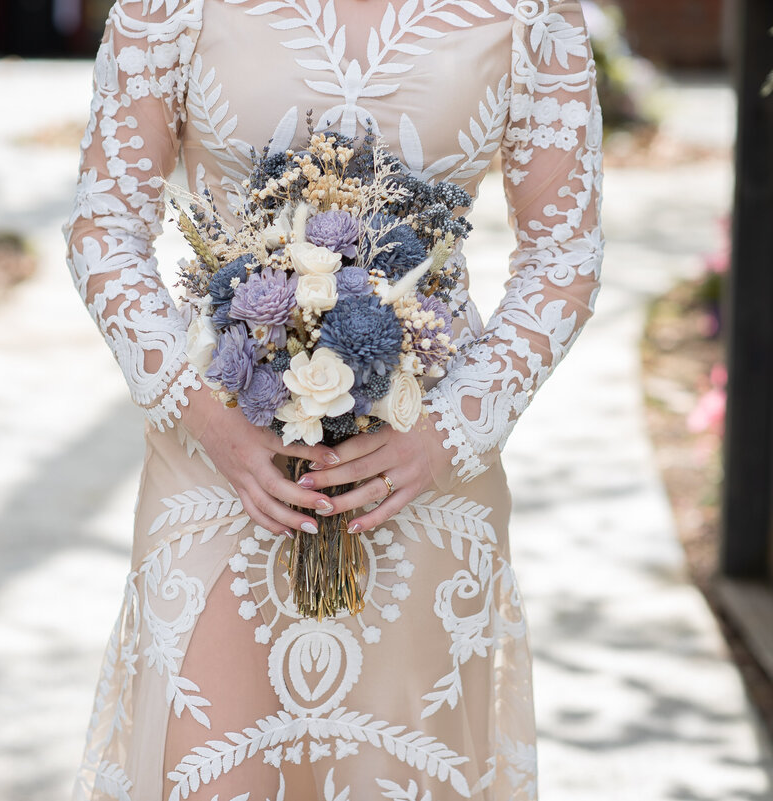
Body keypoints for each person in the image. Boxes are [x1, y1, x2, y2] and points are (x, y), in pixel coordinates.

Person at [61, 0, 604, 797]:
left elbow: (565, 254)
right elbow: (104, 224)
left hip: (420, 482)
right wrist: (203, 415)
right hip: (221, 468)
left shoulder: (532, 11)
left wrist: (445, 436)